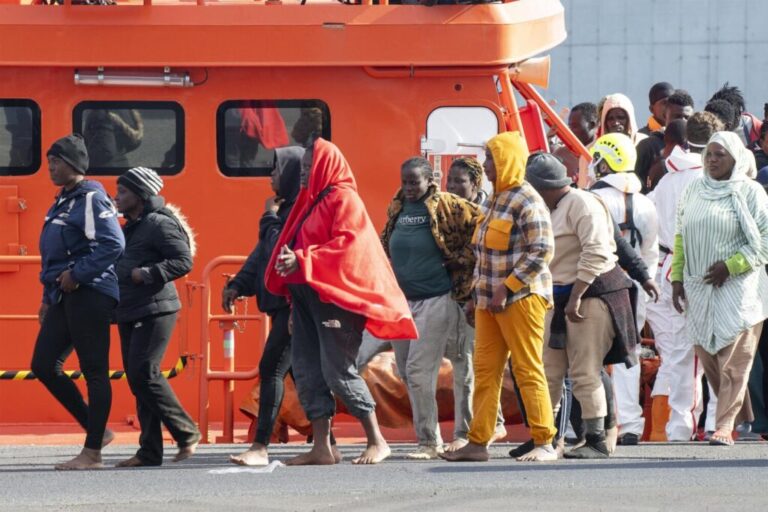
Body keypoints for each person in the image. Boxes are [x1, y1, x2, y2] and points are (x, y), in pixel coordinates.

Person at [265, 137, 418, 465]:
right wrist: (294, 304)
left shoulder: (343, 198)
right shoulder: (311, 201)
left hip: (336, 298)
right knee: (306, 370)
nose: (304, 173)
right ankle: (323, 447)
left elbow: (350, 247)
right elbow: (294, 248)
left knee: (337, 371)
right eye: (303, 168)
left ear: (325, 166)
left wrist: (304, 260)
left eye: (310, 167)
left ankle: (377, 440)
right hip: (308, 296)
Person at [441, 133, 558, 463]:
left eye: (491, 159)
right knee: (485, 371)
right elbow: (483, 256)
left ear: (507, 161)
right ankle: (478, 442)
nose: (486, 165)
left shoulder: (526, 200)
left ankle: (544, 441)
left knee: (526, 369)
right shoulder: (496, 199)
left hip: (521, 299)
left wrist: (506, 288)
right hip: (487, 303)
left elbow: (542, 251)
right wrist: (475, 298)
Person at [225, 147, 340, 466]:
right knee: (305, 374)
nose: (271, 176)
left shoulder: (296, 212)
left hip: (295, 307)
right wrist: (238, 285)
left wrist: (267, 216)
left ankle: (260, 446)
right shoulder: (284, 210)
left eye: (276, 170)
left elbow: (279, 248)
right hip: (281, 308)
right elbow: (260, 254)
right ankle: (328, 444)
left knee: (271, 368)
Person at [529, 154, 638, 459]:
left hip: (590, 295)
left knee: (585, 371)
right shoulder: (550, 207)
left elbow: (597, 252)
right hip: (559, 296)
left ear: (543, 187)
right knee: (548, 370)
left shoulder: (582, 204)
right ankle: (545, 435)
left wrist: (576, 296)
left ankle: (596, 438)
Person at [30, 134, 125, 470]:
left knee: (94, 371)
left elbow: (113, 243)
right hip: (63, 294)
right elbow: (54, 255)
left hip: (90, 292)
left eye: (55, 161)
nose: (50, 167)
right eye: (49, 161)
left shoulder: (91, 198)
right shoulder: (63, 200)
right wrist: (47, 297)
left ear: (73, 163)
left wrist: (79, 274)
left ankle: (93, 452)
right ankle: (95, 427)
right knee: (43, 364)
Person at [380, 157, 481, 459]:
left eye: (415, 182)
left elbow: (481, 225)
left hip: (437, 299)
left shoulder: (446, 205)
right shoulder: (398, 206)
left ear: (429, 180)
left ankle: (429, 441)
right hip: (402, 301)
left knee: (419, 369)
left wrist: (460, 260)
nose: (409, 188)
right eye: (405, 182)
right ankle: (430, 435)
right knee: (406, 370)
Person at [672, 131, 768, 446]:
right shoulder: (694, 190)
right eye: (709, 154)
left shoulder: (751, 192)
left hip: (740, 289)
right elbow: (680, 236)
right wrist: (676, 278)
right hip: (699, 288)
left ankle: (724, 426)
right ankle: (746, 422)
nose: (712, 160)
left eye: (720, 155)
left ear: (736, 158)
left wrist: (731, 266)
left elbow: (764, 242)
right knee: (709, 355)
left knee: (734, 361)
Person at [112, 167, 201, 467]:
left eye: (123, 191)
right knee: (138, 380)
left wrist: (148, 273)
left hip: (156, 308)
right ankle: (149, 451)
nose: (117, 197)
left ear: (139, 194)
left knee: (144, 373)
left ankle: (186, 431)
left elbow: (183, 260)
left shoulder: (158, 224)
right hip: (130, 309)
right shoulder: (133, 226)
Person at [645, 113, 721, 442]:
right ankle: (708, 422)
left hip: (666, 268)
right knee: (710, 350)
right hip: (702, 269)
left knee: (680, 352)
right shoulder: (710, 180)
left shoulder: (665, 178)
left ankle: (684, 424)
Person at [589, 133, 659, 446]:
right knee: (629, 354)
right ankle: (630, 423)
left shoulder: (594, 199)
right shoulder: (646, 202)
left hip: (599, 285)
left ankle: (598, 422)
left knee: (591, 356)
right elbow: (650, 252)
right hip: (635, 286)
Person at [445, 157, 508, 447]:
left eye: (460, 181)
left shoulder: (485, 210)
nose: (453, 186)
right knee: (467, 363)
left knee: (471, 364)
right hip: (455, 296)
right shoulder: (444, 208)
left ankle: (472, 430)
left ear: (475, 183)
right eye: (450, 180)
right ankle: (489, 424)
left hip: (481, 296)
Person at [578, 93, 646, 189]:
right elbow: (583, 188)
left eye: (621, 117)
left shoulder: (644, 143)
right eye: (610, 119)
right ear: (604, 122)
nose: (616, 123)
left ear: (630, 119)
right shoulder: (591, 150)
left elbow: (651, 181)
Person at [635, 90, 695, 192]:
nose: (682, 121)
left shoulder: (695, 147)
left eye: (686, 117)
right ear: (665, 117)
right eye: (677, 116)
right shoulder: (647, 146)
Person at [551, 102, 599, 181]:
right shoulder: (560, 155)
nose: (570, 131)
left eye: (575, 126)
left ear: (592, 125)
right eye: (570, 127)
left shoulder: (605, 151)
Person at [708, 83, 763, 147]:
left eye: (724, 121)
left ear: (738, 115)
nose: (719, 126)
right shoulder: (706, 128)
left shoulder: (759, 131)